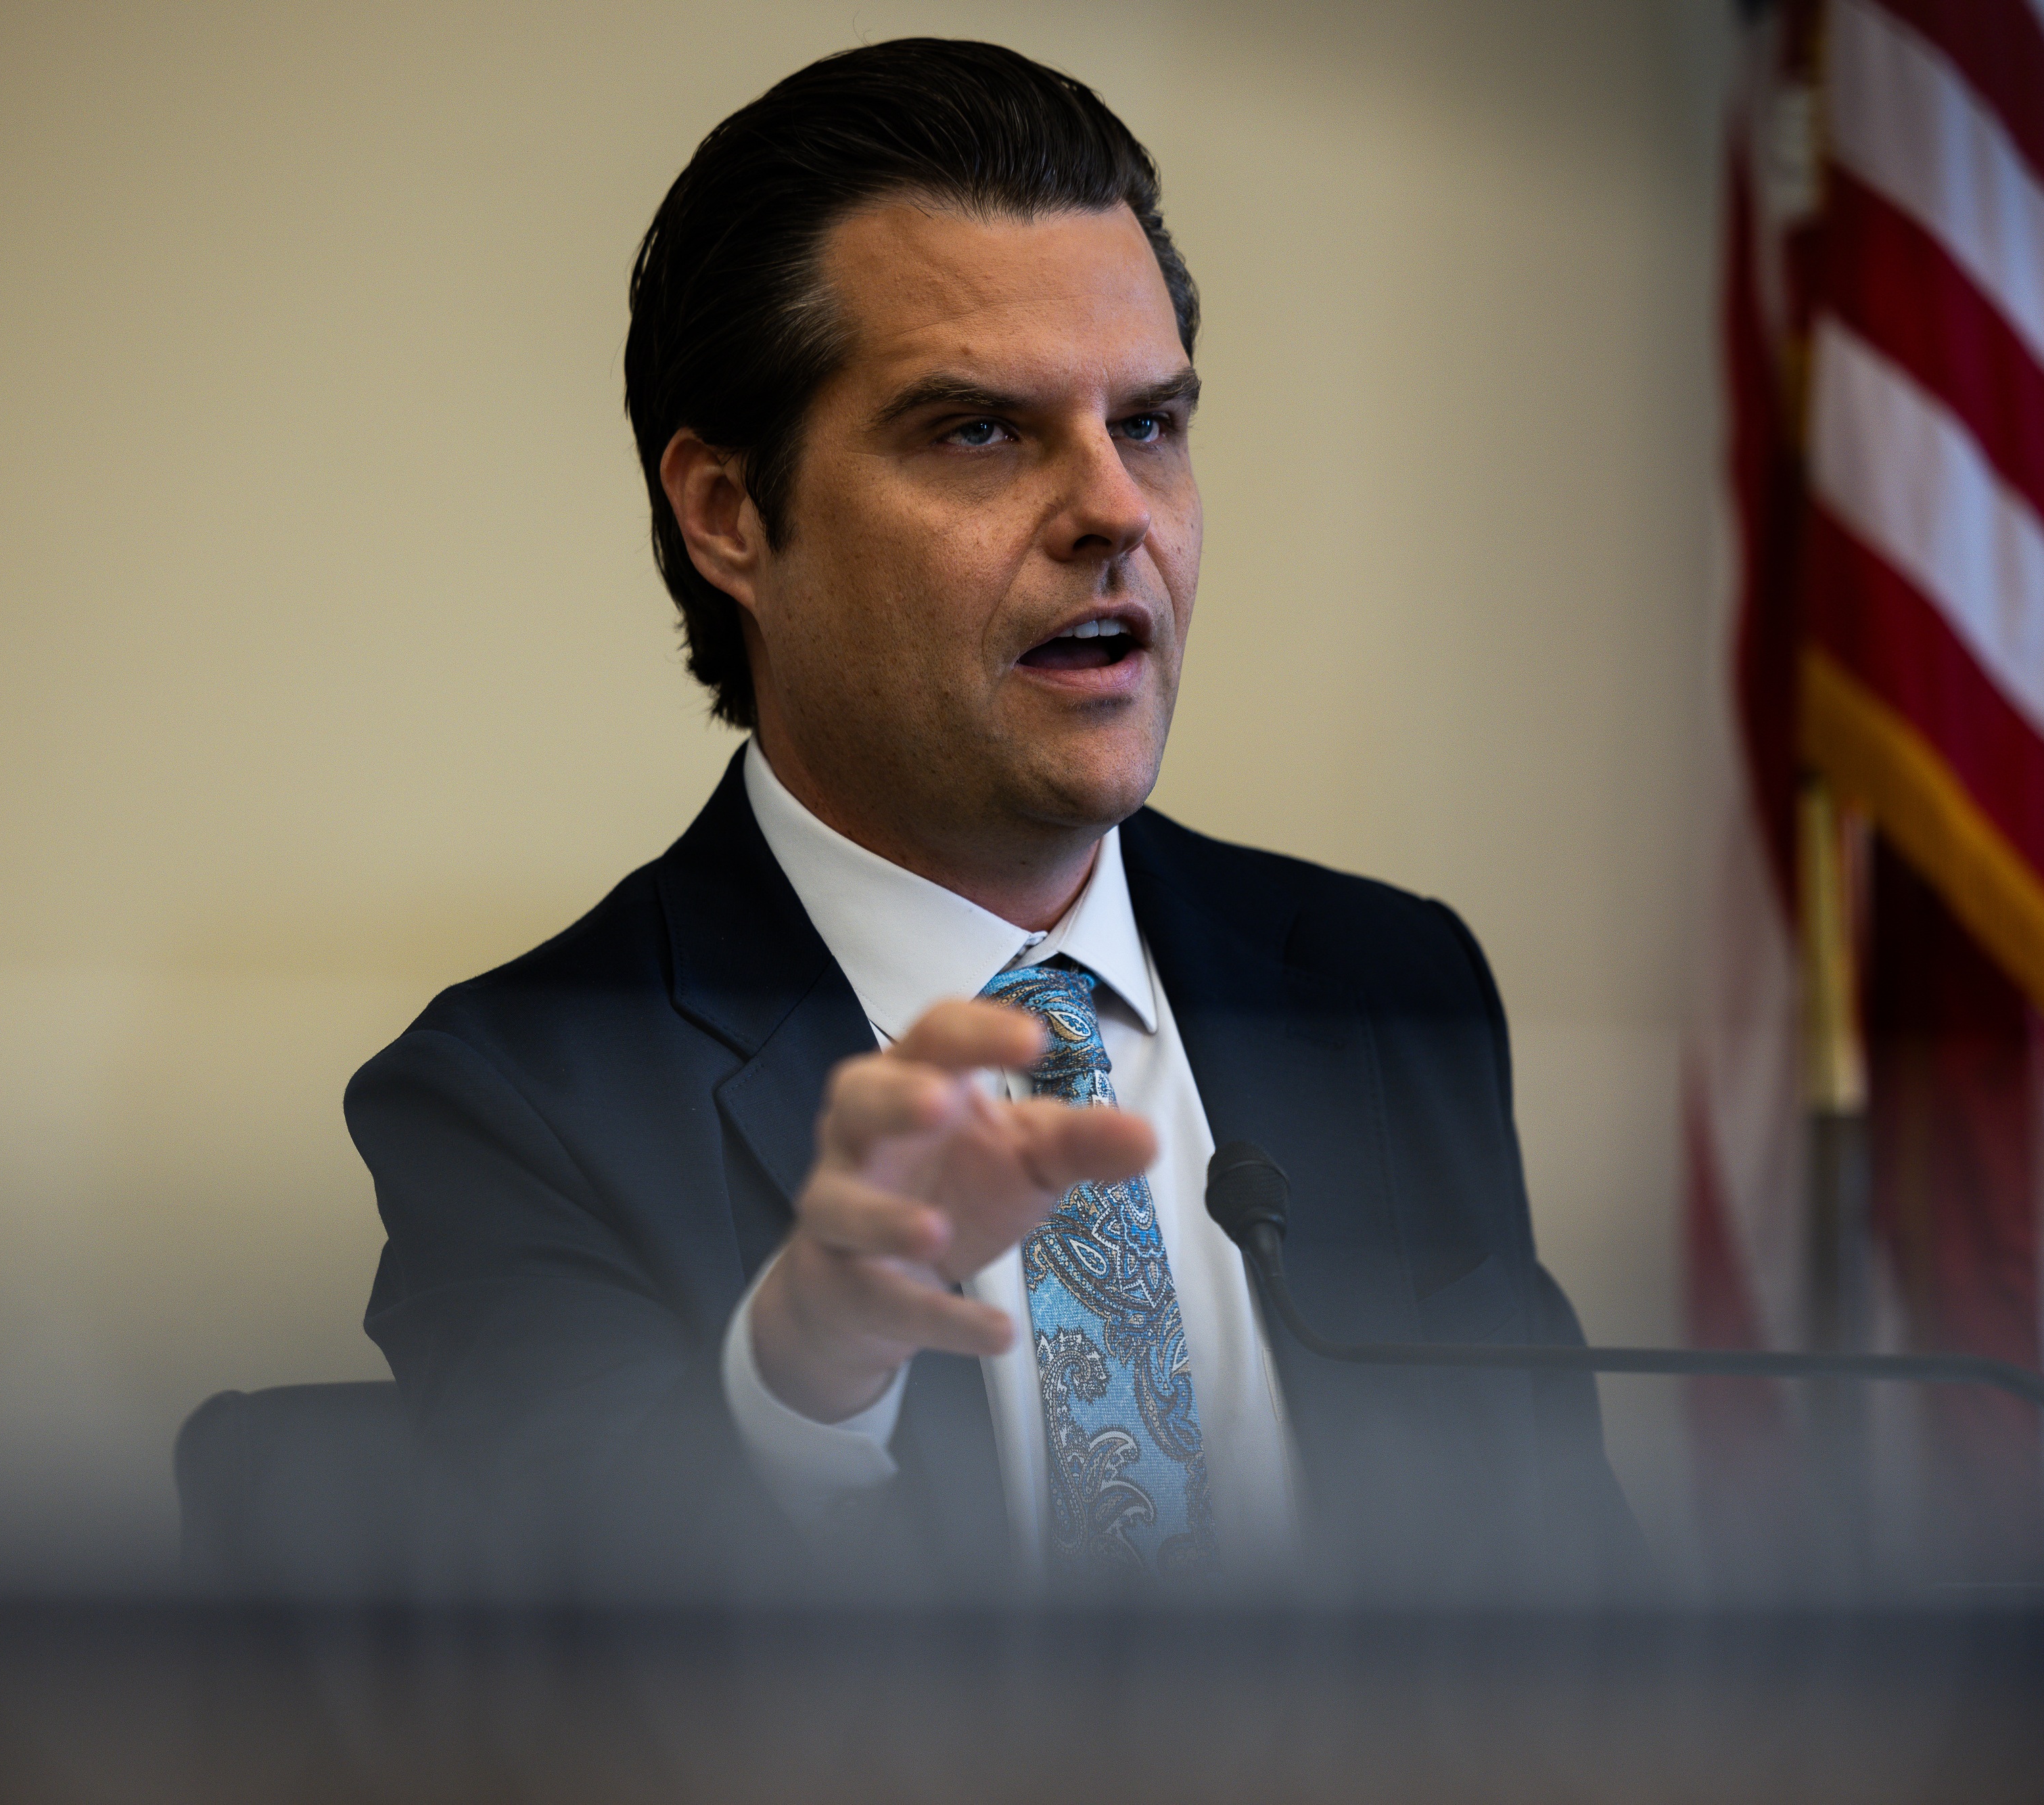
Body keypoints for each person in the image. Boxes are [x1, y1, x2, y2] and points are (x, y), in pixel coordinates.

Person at [347, 37, 1638, 1603]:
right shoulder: (521, 1100)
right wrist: (803, 1384)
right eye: (980, 431)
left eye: (1150, 424)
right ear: (729, 514)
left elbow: (1575, 1617)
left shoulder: (1387, 988)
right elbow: (581, 1695)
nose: (1115, 511)